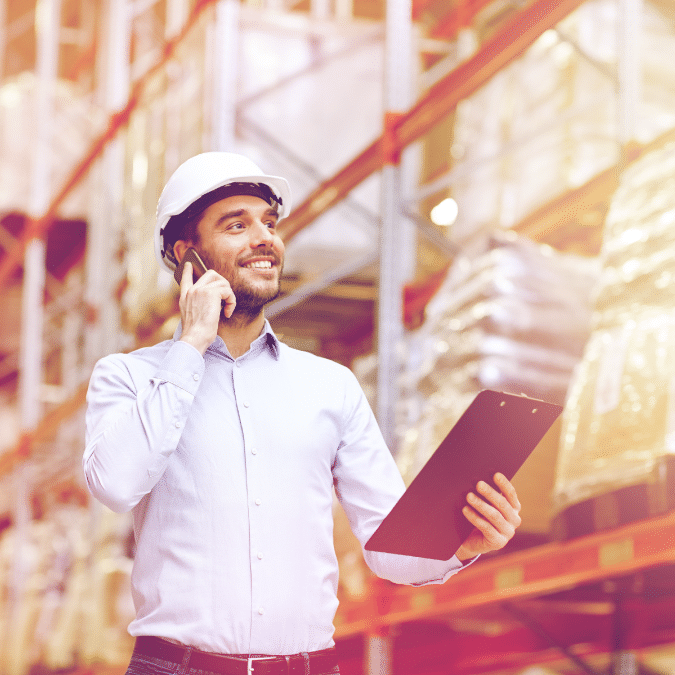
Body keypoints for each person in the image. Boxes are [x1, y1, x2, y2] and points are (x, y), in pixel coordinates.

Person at [83, 152, 523, 675]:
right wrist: (192, 344)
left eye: (269, 224)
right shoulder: (129, 377)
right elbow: (115, 482)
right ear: (187, 255)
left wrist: (461, 543)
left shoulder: (329, 385)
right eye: (236, 225)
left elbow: (389, 547)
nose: (264, 238)